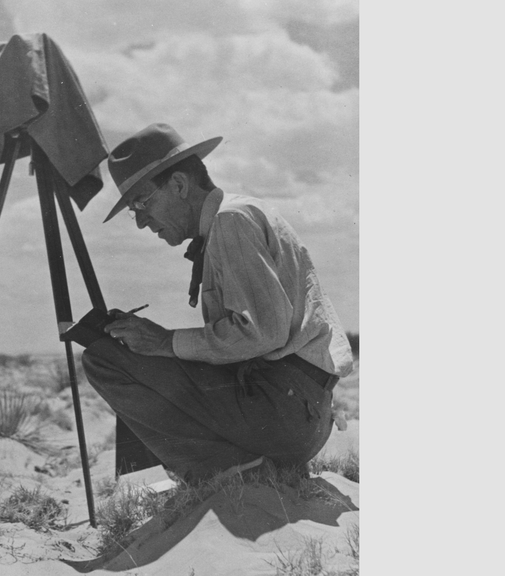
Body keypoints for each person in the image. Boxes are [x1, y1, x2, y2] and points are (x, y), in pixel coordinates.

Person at [82, 123, 354, 483]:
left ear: (179, 185)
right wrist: (160, 345)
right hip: (296, 413)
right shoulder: (235, 215)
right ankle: (229, 466)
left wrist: (164, 342)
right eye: (134, 211)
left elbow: (264, 334)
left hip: (283, 414)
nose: (141, 223)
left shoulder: (230, 221)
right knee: (141, 354)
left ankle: (227, 469)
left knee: (104, 359)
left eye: (142, 203)